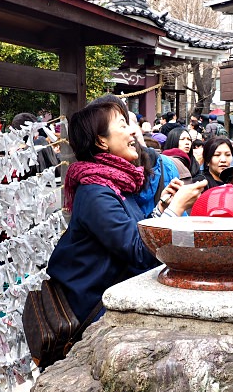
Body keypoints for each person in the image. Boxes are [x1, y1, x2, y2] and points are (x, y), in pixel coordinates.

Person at [45, 99, 205, 324]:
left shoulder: (113, 183)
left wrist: (162, 208)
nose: (133, 131)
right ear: (102, 141)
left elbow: (133, 236)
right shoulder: (95, 191)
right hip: (94, 310)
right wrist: (176, 209)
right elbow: (139, 253)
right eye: (122, 125)